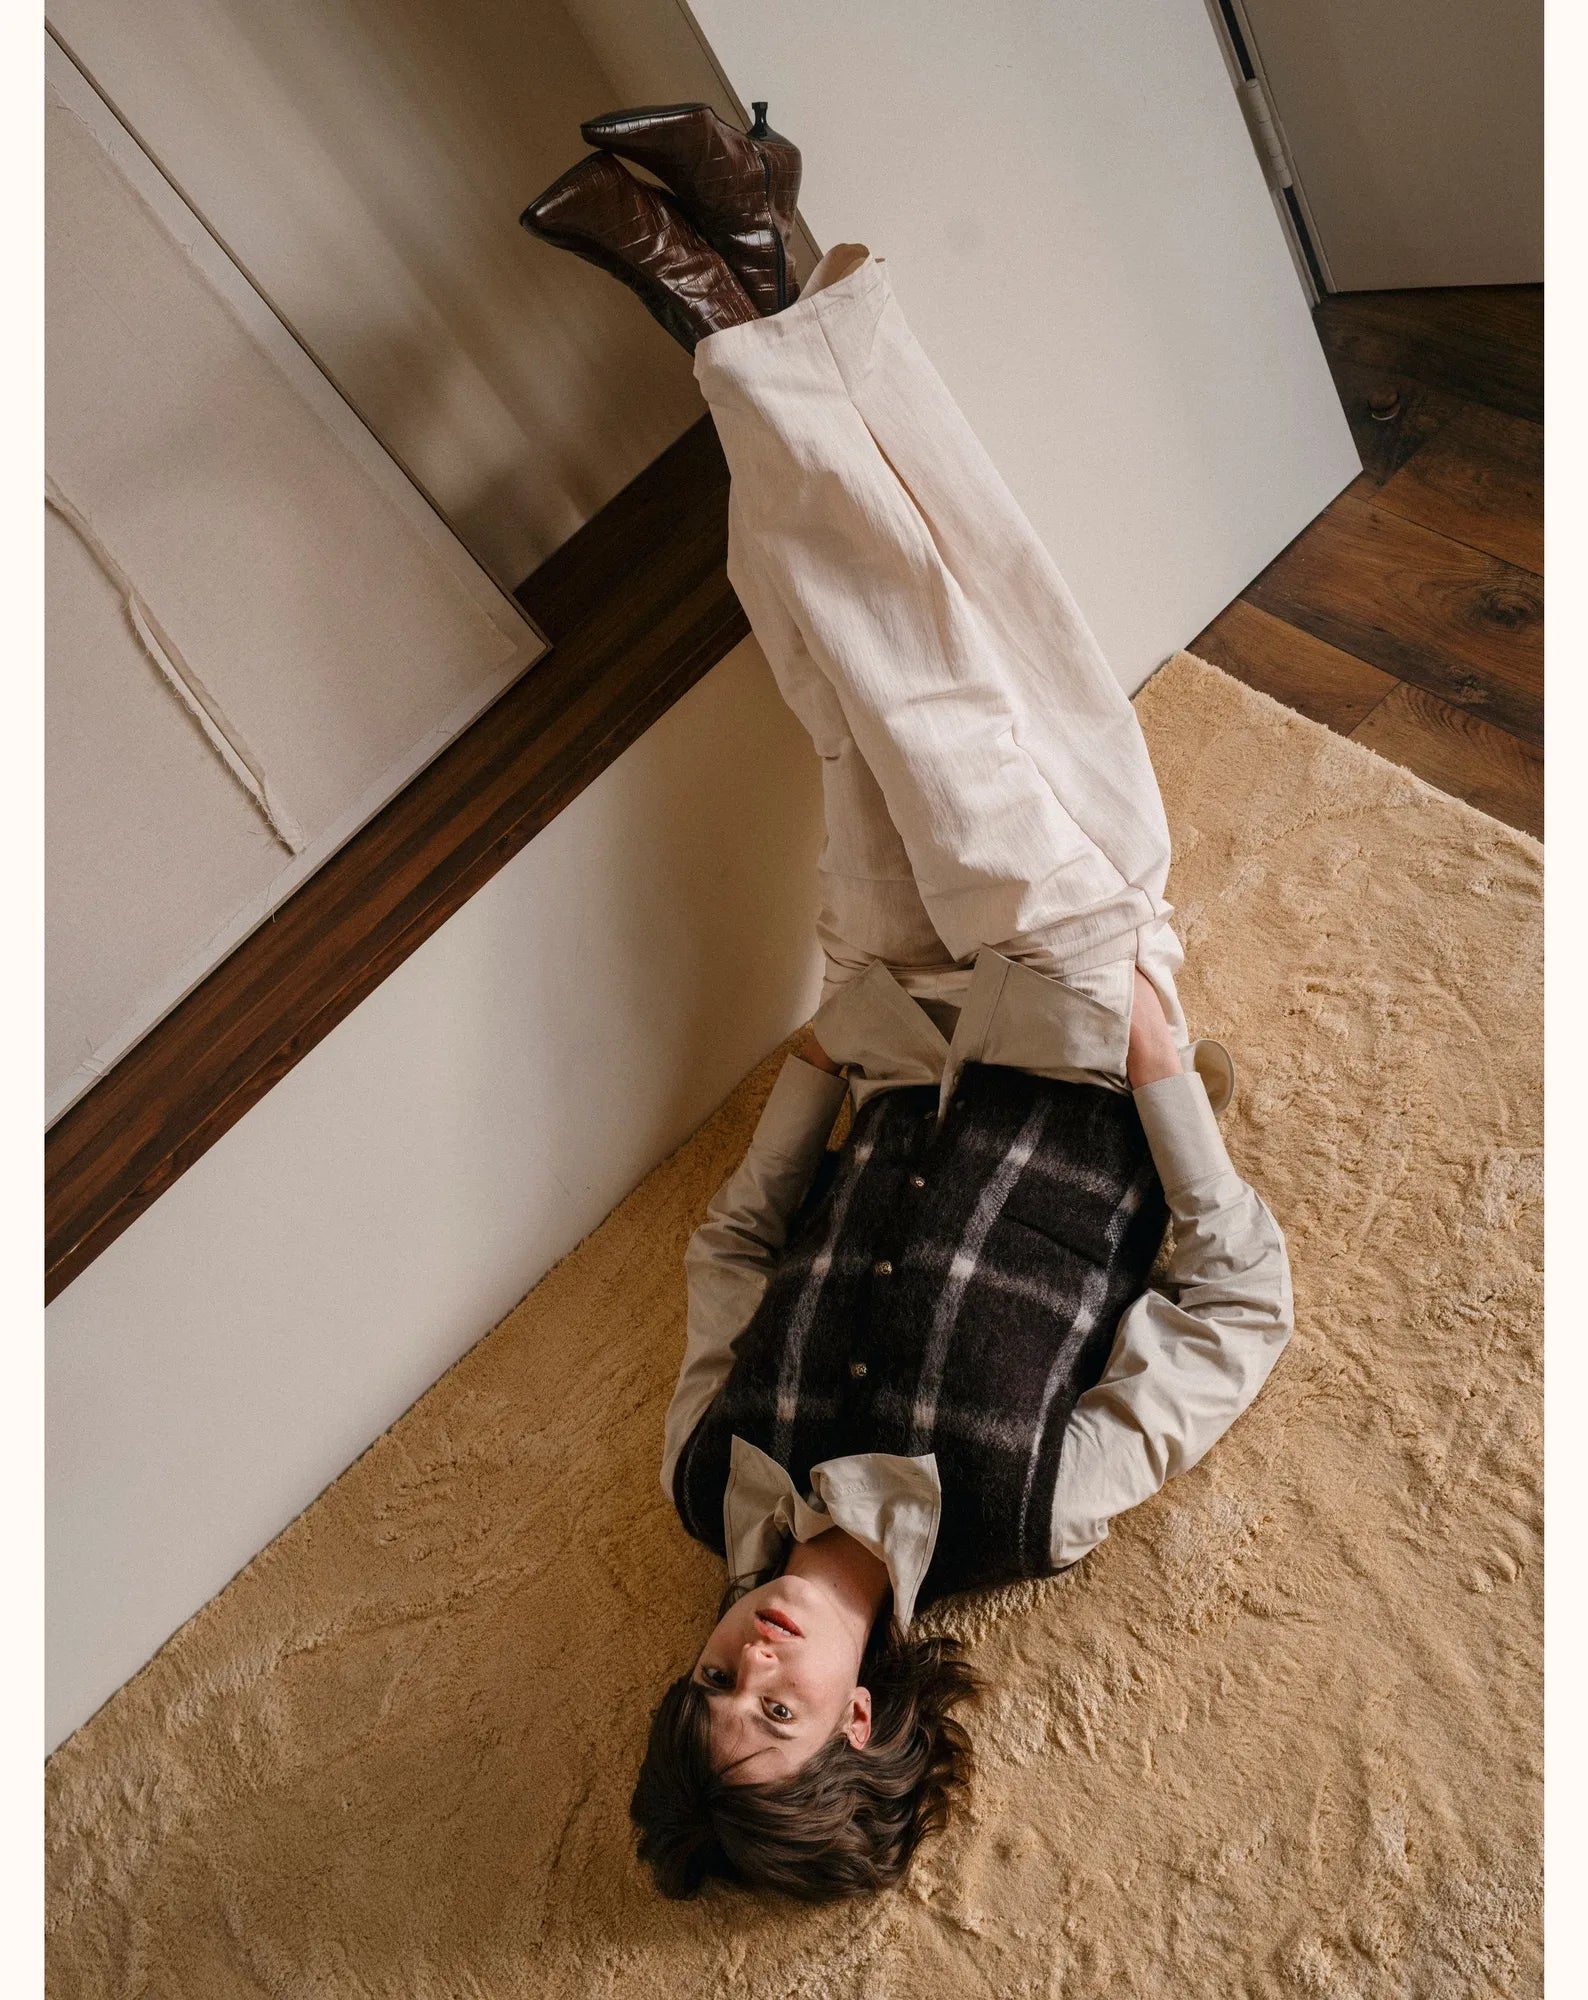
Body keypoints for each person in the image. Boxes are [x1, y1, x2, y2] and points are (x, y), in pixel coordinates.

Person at [522, 106, 1294, 1903]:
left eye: (713, 1688)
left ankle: (748, 264)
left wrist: (813, 1073)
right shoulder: (1033, 1510)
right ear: (862, 1716)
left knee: (835, 662)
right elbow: (1239, 1306)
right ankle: (724, 281)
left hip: (887, 1021)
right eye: (778, 1709)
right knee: (928, 662)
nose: (749, 1661)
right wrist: (1160, 1072)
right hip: (1078, 1019)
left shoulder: (710, 1476)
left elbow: (733, 1249)